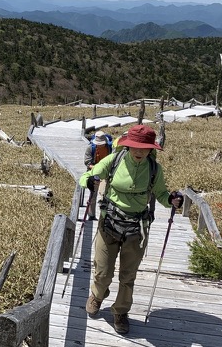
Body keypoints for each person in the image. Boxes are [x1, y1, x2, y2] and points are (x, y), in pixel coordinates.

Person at [78, 124, 183, 335]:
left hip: (137, 228)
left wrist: (172, 200)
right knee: (103, 272)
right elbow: (85, 178)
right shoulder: (114, 160)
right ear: (127, 145)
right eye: (135, 146)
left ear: (151, 149)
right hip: (109, 224)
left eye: (144, 148)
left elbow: (161, 194)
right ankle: (97, 295)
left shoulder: (154, 169)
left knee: (128, 276)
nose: (139, 151)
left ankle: (121, 312)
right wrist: (91, 182)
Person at [83, 130, 113, 219]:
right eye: (98, 144)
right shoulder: (90, 148)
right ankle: (91, 215)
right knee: (93, 194)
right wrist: (98, 169)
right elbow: (87, 163)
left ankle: (105, 215)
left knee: (106, 193)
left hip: (107, 173)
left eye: (101, 143)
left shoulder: (110, 148)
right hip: (94, 172)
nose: (100, 145)